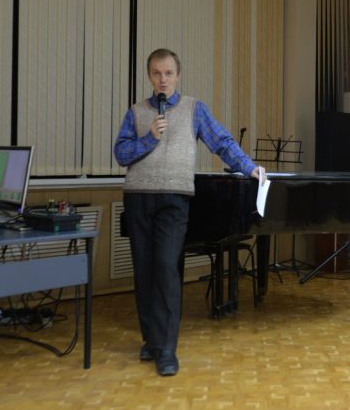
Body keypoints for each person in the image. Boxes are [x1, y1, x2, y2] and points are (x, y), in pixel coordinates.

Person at [113, 48, 265, 376]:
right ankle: (151, 340)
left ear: (178, 75)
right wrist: (149, 139)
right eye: (156, 73)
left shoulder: (195, 109)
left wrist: (248, 167)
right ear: (149, 76)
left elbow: (221, 142)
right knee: (144, 271)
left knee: (166, 267)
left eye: (168, 73)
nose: (162, 79)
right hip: (138, 198)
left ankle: (167, 348)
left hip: (175, 199)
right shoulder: (136, 112)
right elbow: (121, 153)